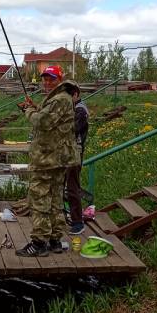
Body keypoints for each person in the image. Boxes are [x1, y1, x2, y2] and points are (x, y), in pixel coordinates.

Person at [16, 65, 80, 257]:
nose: (47, 82)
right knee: (54, 200)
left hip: (47, 159)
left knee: (39, 199)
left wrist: (28, 110)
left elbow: (42, 122)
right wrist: (36, 107)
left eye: (51, 78)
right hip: (56, 159)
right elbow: (51, 119)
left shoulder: (60, 99)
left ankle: (39, 243)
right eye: (44, 78)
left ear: (59, 80)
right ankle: (54, 240)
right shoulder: (60, 98)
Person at [65, 87, 89, 235]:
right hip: (66, 152)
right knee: (66, 186)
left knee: (73, 187)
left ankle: (78, 222)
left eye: (69, 96)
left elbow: (72, 129)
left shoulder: (80, 110)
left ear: (76, 95)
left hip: (75, 152)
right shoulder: (73, 108)